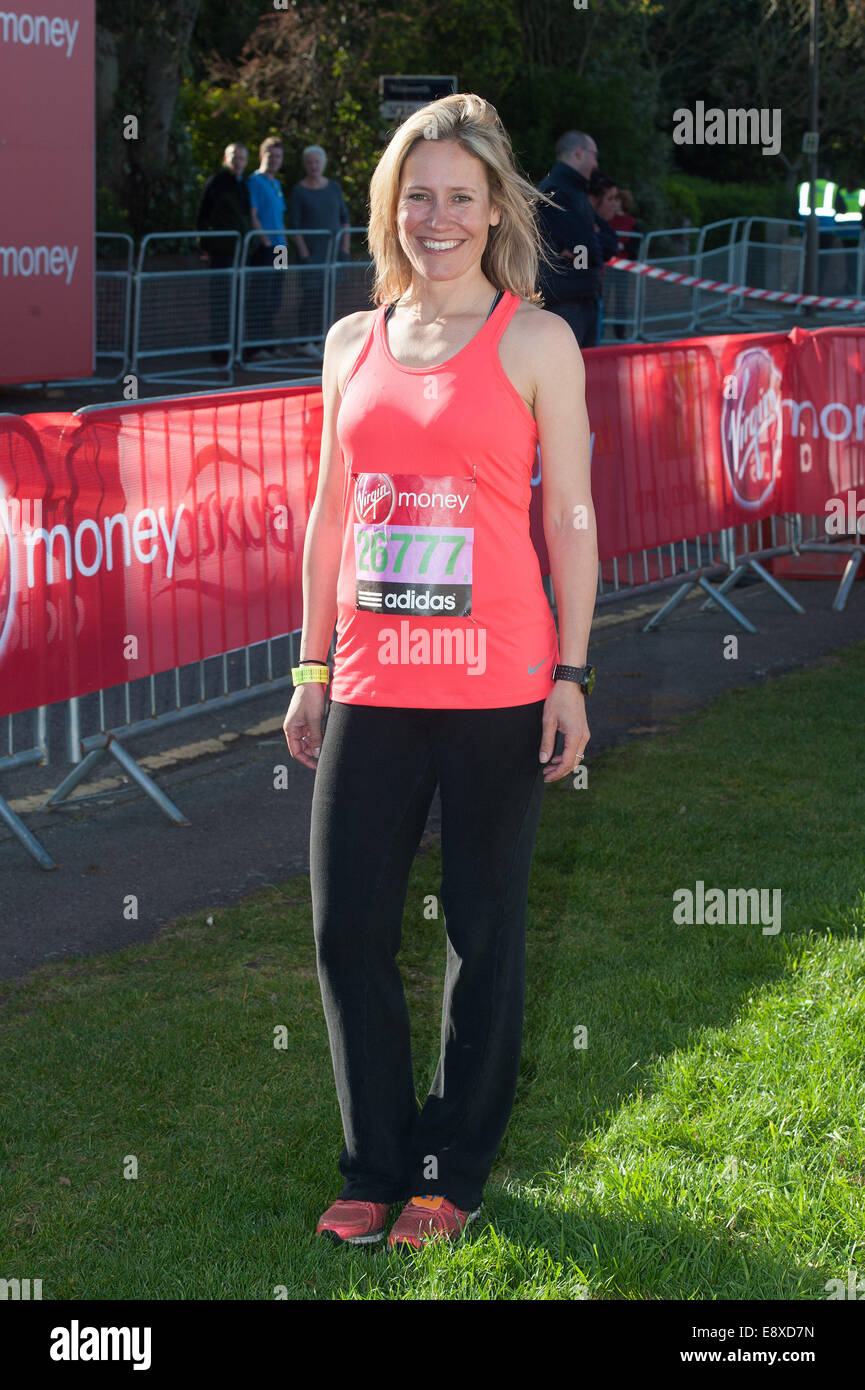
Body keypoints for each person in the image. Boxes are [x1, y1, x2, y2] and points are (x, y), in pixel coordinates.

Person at [282, 92, 598, 1252]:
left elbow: (568, 516)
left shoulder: (534, 340)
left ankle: (447, 1170)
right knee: (345, 929)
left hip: (496, 685)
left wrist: (572, 669)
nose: (439, 216)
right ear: (389, 208)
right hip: (369, 681)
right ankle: (372, 1162)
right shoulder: (348, 342)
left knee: (482, 933)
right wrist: (311, 662)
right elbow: (328, 516)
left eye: (461, 197)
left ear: (494, 206)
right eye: (418, 196)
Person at [535, 130, 605, 348]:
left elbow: (605, 241)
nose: (596, 164)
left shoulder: (574, 191)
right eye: (594, 156)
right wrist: (586, 246)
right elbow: (589, 249)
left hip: (579, 299)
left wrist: (582, 249)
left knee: (587, 376)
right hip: (564, 303)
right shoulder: (556, 191)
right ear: (579, 153)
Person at [196, 142, 260, 364]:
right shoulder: (217, 182)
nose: (238, 162)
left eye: (242, 158)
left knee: (238, 302)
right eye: (234, 157)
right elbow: (203, 217)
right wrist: (205, 247)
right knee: (222, 302)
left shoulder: (243, 185)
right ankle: (220, 352)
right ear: (226, 159)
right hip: (222, 251)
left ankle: (235, 351)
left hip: (242, 252)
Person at [289, 145, 352, 359]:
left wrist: (344, 249)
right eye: (310, 162)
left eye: (317, 161)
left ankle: (320, 338)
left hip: (332, 254)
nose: (314, 166)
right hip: (312, 255)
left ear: (323, 164)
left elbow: (345, 220)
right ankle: (304, 340)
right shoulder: (299, 191)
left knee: (326, 297)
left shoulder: (333, 187)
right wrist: (304, 255)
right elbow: (294, 227)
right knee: (310, 298)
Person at [247, 137, 288, 358]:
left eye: (278, 156)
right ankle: (255, 347)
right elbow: (253, 214)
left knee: (274, 297)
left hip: (280, 249)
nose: (275, 160)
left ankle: (268, 344)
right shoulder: (254, 181)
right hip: (266, 249)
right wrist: (264, 241)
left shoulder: (276, 184)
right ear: (262, 156)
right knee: (259, 297)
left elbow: (278, 217)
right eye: (271, 155)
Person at [587, 173, 621, 344]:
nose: (615, 204)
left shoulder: (602, 225)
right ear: (594, 200)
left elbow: (611, 246)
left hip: (594, 295)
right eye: (610, 199)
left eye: (616, 199)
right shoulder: (580, 220)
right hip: (577, 300)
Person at [608, 188, 643, 340]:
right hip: (607, 266)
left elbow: (635, 245)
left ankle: (619, 332)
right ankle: (600, 328)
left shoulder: (632, 223)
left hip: (623, 267)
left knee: (621, 300)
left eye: (617, 200)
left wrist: (621, 247)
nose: (613, 203)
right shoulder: (607, 219)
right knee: (603, 297)